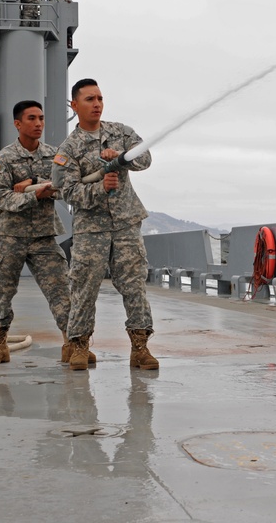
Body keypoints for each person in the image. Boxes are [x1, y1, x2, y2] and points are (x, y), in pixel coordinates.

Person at [51, 78, 157, 371]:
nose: (96, 104)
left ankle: (140, 348)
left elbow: (145, 157)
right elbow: (67, 191)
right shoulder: (68, 148)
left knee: (134, 284)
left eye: (99, 98)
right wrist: (101, 187)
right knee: (84, 287)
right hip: (91, 228)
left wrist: (122, 159)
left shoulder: (120, 132)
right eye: (89, 99)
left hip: (125, 222)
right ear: (74, 105)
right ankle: (79, 346)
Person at [0, 100, 94, 367]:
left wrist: (33, 184)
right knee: (3, 291)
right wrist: (34, 197)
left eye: (41, 118)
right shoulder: (5, 159)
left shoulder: (54, 156)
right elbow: (2, 198)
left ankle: (73, 344)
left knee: (60, 291)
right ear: (18, 124)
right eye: (31, 118)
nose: (38, 124)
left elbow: (65, 185)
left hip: (45, 235)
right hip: (11, 236)